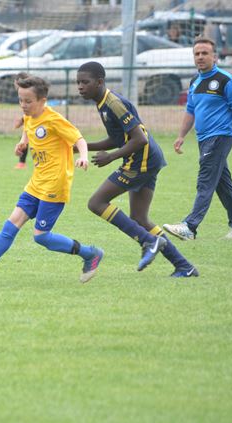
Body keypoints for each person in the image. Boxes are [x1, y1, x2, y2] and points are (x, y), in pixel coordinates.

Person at [0, 75, 104, 286]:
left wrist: (83, 156)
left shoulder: (54, 120)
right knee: (10, 225)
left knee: (41, 237)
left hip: (55, 184)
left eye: (28, 101)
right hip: (36, 183)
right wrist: (22, 142)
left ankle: (90, 254)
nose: (23, 105)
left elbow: (79, 139)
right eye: (20, 100)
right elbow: (28, 127)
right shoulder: (30, 115)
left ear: (42, 100)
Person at [76, 61, 198, 277]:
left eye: (85, 82)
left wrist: (111, 157)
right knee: (139, 218)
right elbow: (118, 138)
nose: (80, 87)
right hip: (148, 158)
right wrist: (81, 147)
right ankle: (184, 266)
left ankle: (148, 241)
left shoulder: (113, 103)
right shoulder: (102, 103)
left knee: (96, 203)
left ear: (100, 82)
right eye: (78, 83)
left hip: (141, 160)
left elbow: (139, 139)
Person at [163, 38, 232, 241]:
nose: (200, 57)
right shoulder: (195, 81)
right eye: (197, 54)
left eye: (205, 53)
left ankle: (190, 227)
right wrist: (181, 136)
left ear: (215, 56)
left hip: (219, 137)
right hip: (203, 139)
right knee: (223, 184)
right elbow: (190, 111)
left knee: (205, 180)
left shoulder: (225, 80)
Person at [12, 72, 30, 169]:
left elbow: (33, 111)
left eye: (15, 83)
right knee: (25, 139)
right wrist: (22, 120)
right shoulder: (24, 94)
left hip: (40, 122)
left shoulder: (32, 93)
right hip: (31, 121)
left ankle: (22, 163)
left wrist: (21, 121)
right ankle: (22, 163)